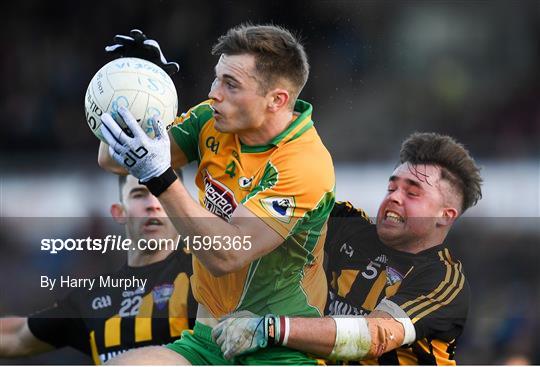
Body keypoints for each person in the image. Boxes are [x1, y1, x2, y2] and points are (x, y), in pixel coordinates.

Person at [98, 24, 335, 365]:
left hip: (280, 352)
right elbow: (112, 159)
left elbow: (226, 257)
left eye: (230, 84)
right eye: (216, 78)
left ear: (276, 100)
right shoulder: (211, 120)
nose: (213, 93)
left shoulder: (305, 164)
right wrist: (139, 94)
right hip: (207, 342)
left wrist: (160, 177)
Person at [212, 132, 483, 365]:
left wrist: (272, 328)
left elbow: (373, 336)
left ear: (445, 216)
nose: (394, 198)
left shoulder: (443, 281)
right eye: (391, 188)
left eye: (412, 193)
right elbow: (284, 205)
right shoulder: (349, 225)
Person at [0, 174, 195, 364]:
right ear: (119, 212)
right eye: (139, 194)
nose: (153, 204)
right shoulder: (92, 298)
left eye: (162, 192)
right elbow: (16, 337)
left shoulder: (202, 275)